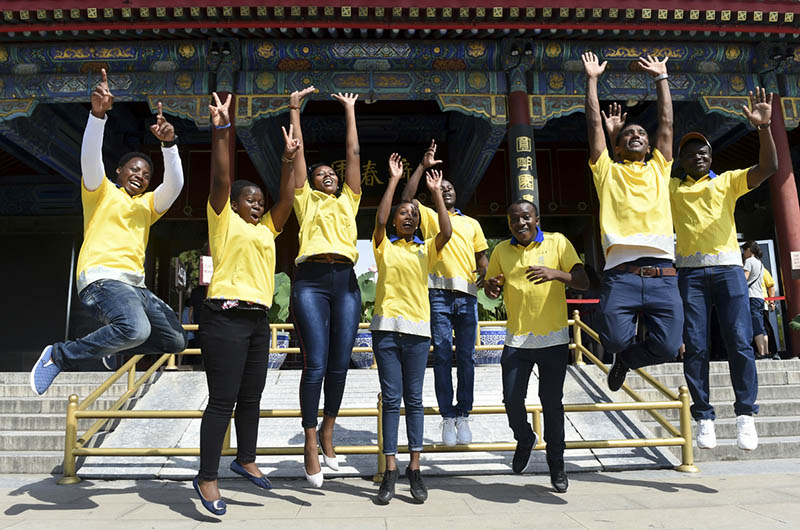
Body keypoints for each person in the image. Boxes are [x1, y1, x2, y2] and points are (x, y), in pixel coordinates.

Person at [606, 89, 776, 451]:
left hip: (729, 271)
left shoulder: (726, 182)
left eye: (704, 152)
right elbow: (629, 178)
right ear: (679, 159)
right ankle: (703, 416)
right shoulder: (668, 187)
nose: (698, 156)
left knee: (740, 343)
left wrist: (764, 128)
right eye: (691, 153)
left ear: (711, 157)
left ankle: (745, 414)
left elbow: (768, 169)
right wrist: (613, 136)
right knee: (695, 347)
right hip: (688, 274)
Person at [31, 69, 187, 395]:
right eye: (134, 169)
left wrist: (169, 145)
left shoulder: (147, 205)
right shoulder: (101, 192)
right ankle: (59, 355)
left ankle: (110, 347)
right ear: (119, 171)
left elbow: (175, 186)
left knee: (175, 340)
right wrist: (98, 116)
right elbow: (89, 159)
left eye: (146, 174)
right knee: (135, 329)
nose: (140, 176)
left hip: (135, 287)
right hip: (102, 279)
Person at [191, 93, 297, 516]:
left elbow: (286, 203)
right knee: (223, 399)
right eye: (249, 198)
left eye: (259, 198)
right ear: (234, 203)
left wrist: (289, 162)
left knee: (251, 396)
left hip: (257, 320)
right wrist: (221, 130)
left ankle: (245, 457)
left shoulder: (267, 229)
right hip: (225, 316)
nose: (257, 202)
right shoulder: (223, 217)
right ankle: (207, 477)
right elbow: (220, 178)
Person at [582, 51, 683, 392]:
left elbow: (666, 123)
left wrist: (661, 78)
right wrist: (592, 81)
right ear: (619, 147)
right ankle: (619, 354)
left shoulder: (659, 167)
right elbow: (595, 125)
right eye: (628, 134)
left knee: (669, 347)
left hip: (663, 274)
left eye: (641, 132)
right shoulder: (606, 171)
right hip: (620, 275)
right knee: (612, 340)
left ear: (650, 144)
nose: (635, 134)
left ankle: (627, 361)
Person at [484, 200, 589, 493]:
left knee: (551, 403)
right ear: (509, 224)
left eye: (526, 217)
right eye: (514, 219)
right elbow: (493, 289)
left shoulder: (557, 243)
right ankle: (525, 437)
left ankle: (557, 465)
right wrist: (492, 288)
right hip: (517, 339)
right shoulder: (501, 251)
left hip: (553, 339)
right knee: (511, 400)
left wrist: (556, 274)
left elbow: (583, 280)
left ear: (537, 219)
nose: (521, 223)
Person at [288, 86, 362, 487]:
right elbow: (297, 154)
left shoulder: (349, 200)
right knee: (314, 362)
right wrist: (295, 108)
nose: (328, 175)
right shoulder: (307, 201)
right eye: (321, 174)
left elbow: (352, 156)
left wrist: (349, 111)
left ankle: (330, 427)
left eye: (330, 172)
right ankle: (311, 438)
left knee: (339, 362)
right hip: (312, 282)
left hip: (346, 282)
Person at [371, 155, 452, 505]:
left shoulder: (426, 251)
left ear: (419, 223)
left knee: (415, 400)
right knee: (391, 400)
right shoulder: (383, 245)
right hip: (386, 330)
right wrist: (393, 181)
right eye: (404, 213)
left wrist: (434, 194)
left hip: (418, 332)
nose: (408, 217)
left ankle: (415, 468)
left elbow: (446, 231)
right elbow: (379, 218)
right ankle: (391, 469)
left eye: (413, 215)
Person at [400, 140, 489, 445]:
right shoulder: (428, 215)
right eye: (441, 186)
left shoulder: (472, 223)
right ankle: (446, 417)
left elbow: (482, 257)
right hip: (436, 294)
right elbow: (406, 197)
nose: (446, 189)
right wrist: (423, 167)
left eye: (450, 187)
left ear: (457, 193)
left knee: (466, 356)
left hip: (467, 295)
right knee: (440, 355)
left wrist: (486, 273)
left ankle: (463, 414)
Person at [743, 241, 769, 362]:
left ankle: (761, 352)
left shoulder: (749, 262)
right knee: (761, 325)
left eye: (744, 250)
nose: (743, 253)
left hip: (751, 296)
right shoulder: (760, 263)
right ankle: (766, 351)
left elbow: (744, 279)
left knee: (756, 325)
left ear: (749, 250)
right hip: (760, 297)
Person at [762, 267, 780, 359]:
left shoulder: (762, 270)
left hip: (762, 302)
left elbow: (771, 286)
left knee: (766, 327)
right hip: (747, 303)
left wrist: (771, 301)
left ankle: (773, 351)